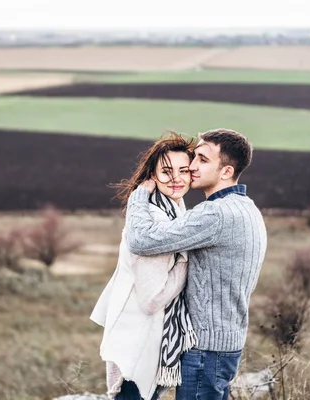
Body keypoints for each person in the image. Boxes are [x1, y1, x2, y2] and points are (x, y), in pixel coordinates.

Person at [125, 128, 267, 400]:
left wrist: (139, 195)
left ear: (225, 171)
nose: (191, 166)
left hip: (205, 351)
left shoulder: (216, 214)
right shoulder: (247, 208)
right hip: (225, 345)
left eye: (202, 160)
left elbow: (141, 240)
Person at [90, 132, 199, 400]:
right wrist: (186, 263)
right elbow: (152, 298)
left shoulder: (172, 210)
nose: (176, 178)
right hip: (137, 342)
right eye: (166, 171)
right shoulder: (155, 218)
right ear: (151, 175)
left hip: (146, 338)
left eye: (183, 170)